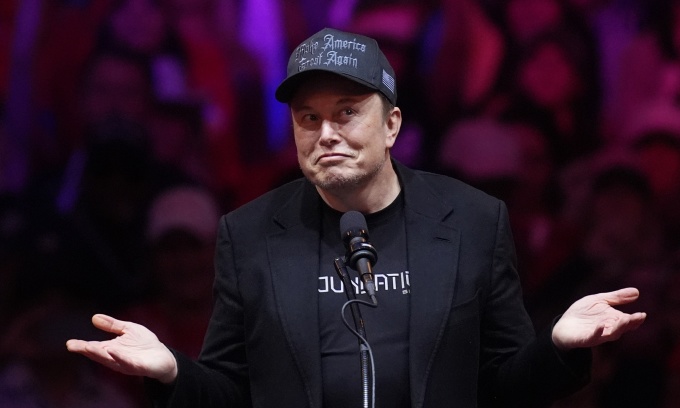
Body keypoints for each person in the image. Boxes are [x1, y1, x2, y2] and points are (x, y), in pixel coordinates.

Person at [66, 27, 646, 408]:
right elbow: (231, 393)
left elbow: (506, 386)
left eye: (347, 113)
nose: (326, 134)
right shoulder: (247, 235)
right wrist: (171, 371)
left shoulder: (473, 220)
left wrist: (558, 346)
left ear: (391, 125)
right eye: (308, 118)